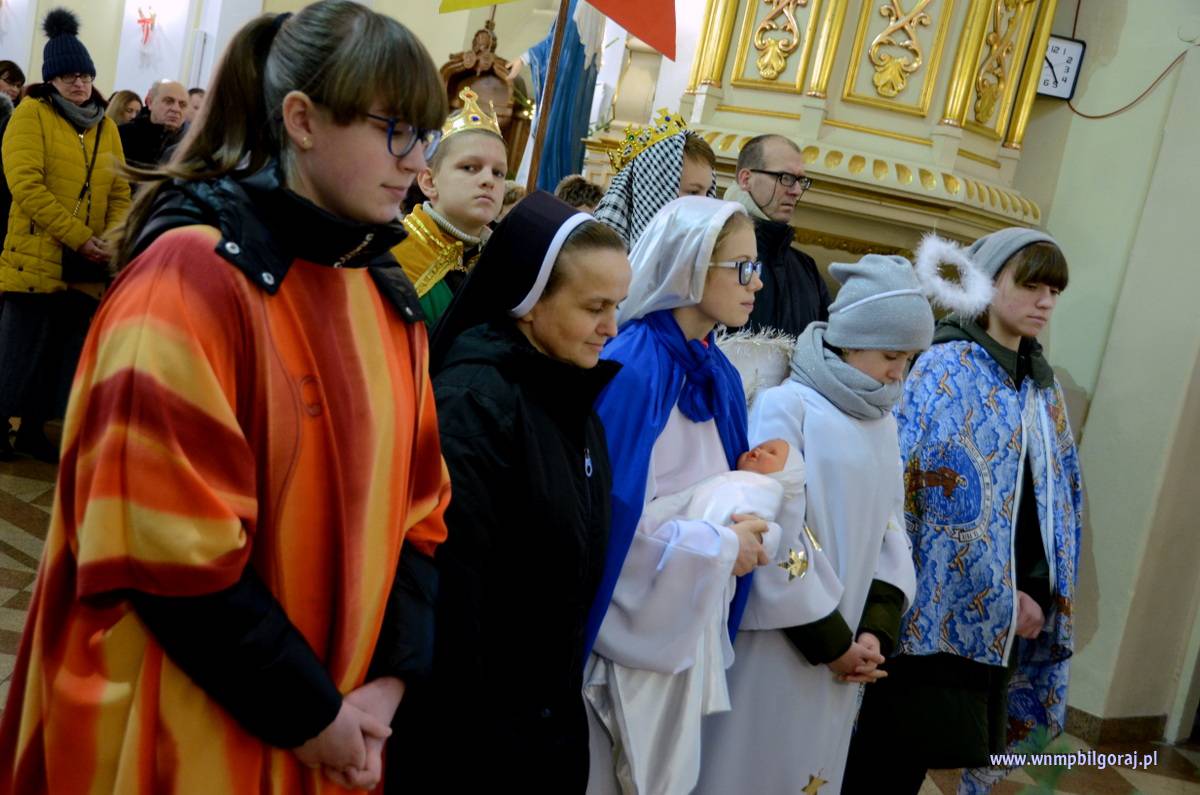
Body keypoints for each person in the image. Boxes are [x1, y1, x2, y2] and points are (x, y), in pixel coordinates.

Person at [0, 4, 453, 793]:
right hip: (188, 731)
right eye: (395, 130)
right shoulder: (192, 278)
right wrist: (315, 715)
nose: (417, 161)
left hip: (331, 725)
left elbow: (423, 515)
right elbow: (166, 549)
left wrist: (386, 685)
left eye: (426, 136)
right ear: (302, 120)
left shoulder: (383, 293)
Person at [699, 244, 994, 793]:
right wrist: (830, 641)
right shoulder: (789, 406)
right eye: (891, 354)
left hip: (848, 647)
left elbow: (890, 531)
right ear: (852, 338)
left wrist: (875, 629)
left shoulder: (881, 421)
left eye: (909, 359)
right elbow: (773, 526)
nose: (899, 371)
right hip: (783, 643)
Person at [389, 192, 630, 792]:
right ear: (529, 302)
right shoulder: (474, 404)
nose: (612, 328)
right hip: (474, 740)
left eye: (617, 306)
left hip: (538, 721)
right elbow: (454, 595)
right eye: (595, 307)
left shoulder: (569, 393)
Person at [844, 229, 1082, 795]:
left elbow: (1053, 502)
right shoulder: (943, 368)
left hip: (1007, 611)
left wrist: (1035, 587)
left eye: (1055, 291)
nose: (1045, 302)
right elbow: (911, 493)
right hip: (927, 607)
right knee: (886, 761)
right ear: (987, 282)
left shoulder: (1041, 386)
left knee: (946, 746)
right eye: (1032, 286)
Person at [584, 196, 773, 795]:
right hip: (630, 634)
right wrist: (722, 546)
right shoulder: (632, 367)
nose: (757, 283)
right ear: (690, 265)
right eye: (742, 268)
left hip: (688, 612)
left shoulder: (718, 370)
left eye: (756, 267)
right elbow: (608, 522)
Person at [0, 8, 130, 463]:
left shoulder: (106, 126)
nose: (80, 83)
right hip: (38, 252)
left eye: (86, 75)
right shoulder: (31, 114)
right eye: (70, 76)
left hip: (87, 261)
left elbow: (120, 189)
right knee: (18, 350)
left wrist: (111, 238)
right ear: (52, 80)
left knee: (61, 352)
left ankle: (35, 430)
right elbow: (26, 185)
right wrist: (79, 236)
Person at [390, 85, 507, 325]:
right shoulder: (398, 257)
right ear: (429, 182)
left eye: (498, 172)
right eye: (470, 167)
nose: (488, 180)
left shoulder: (503, 263)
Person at [725, 134, 830, 337]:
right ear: (746, 179)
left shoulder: (807, 269)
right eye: (786, 178)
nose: (796, 190)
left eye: (801, 181)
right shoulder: (715, 252)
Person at [594, 110, 717, 248]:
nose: (706, 204)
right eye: (693, 192)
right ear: (654, 191)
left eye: (708, 192)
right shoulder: (601, 247)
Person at [118, 78, 187, 167]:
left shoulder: (190, 145)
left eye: (182, 104)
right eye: (168, 101)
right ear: (150, 103)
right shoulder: (123, 135)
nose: (176, 109)